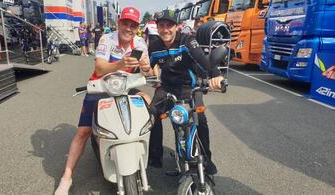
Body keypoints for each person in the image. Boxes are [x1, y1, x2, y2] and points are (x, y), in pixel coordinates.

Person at [54, 7, 153, 195]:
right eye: (125, 23)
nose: (129, 28)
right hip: (100, 85)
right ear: (118, 23)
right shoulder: (107, 39)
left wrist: (147, 68)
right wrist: (119, 64)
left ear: (137, 27)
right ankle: (66, 178)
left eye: (133, 25)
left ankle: (139, 151)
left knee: (148, 102)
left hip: (125, 85)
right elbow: (99, 68)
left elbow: (147, 73)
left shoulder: (141, 43)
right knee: (83, 132)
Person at [147, 9, 225, 176]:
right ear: (157, 28)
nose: (165, 30)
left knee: (201, 120)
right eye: (162, 26)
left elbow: (204, 61)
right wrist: (152, 76)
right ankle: (155, 157)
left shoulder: (187, 41)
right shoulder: (153, 46)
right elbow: (149, 64)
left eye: (169, 25)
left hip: (189, 87)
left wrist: (216, 76)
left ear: (177, 27)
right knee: (151, 114)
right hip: (167, 88)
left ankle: (206, 159)